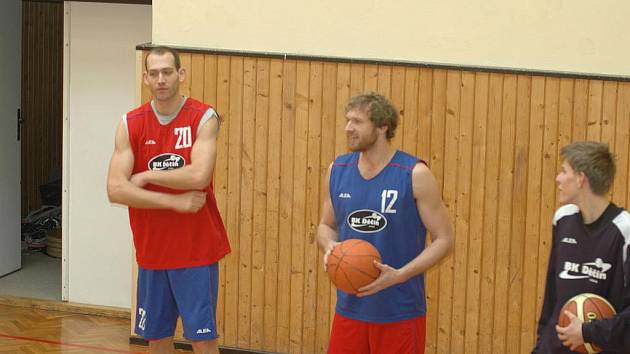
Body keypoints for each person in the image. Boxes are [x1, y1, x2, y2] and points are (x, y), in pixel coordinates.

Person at [107, 46, 231, 354]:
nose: (161, 79)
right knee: (157, 338)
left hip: (195, 251)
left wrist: (148, 176)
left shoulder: (203, 117)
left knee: (202, 339)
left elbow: (199, 175)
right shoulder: (130, 123)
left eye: (167, 72)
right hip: (152, 251)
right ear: (146, 78)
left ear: (181, 74)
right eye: (154, 73)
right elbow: (115, 189)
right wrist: (173, 202)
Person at [316, 92, 454, 354]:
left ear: (382, 126)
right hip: (350, 309)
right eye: (347, 120)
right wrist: (330, 246)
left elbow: (445, 239)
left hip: (399, 310)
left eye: (357, 121)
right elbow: (325, 226)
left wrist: (400, 275)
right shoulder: (338, 169)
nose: (348, 128)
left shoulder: (414, 174)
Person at [533, 141, 630, 354]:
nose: (558, 178)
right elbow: (552, 298)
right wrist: (540, 347)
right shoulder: (563, 219)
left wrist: (588, 332)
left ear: (581, 179)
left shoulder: (624, 230)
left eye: (564, 171)